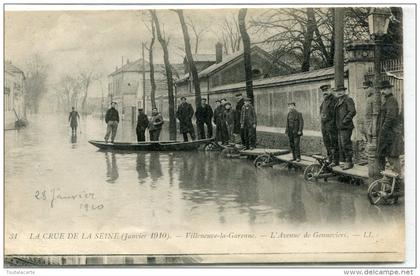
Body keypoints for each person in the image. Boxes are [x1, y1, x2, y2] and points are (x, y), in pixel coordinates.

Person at [377, 80, 401, 173]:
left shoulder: (392, 100)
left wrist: (383, 130)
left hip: (391, 133)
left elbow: (390, 118)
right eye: (381, 89)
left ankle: (397, 182)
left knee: (393, 157)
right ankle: (391, 181)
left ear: (389, 89)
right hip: (387, 133)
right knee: (389, 156)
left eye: (384, 89)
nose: (382, 91)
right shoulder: (387, 100)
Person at [334, 87, 356, 170]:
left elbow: (352, 111)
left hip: (346, 126)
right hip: (339, 127)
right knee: (341, 144)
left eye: (341, 91)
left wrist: (345, 120)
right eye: (337, 91)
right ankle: (343, 161)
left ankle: (349, 162)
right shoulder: (338, 101)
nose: (339, 92)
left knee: (346, 144)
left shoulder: (348, 99)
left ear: (344, 91)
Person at [319, 84, 339, 166]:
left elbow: (336, 114)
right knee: (327, 143)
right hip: (324, 126)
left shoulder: (334, 100)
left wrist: (332, 123)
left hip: (332, 126)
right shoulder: (324, 101)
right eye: (323, 91)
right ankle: (330, 158)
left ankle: (335, 160)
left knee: (333, 143)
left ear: (330, 90)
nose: (325, 92)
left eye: (326, 90)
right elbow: (321, 112)